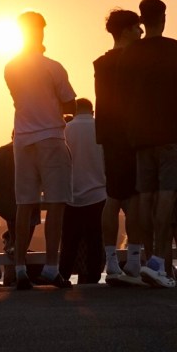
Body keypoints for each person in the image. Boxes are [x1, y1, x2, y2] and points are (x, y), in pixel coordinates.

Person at [120, 0, 177, 289]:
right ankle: (158, 264)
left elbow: (122, 97)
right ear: (163, 17)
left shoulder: (130, 54)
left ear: (141, 20)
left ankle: (146, 258)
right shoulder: (173, 49)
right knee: (166, 196)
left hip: (141, 137)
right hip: (170, 134)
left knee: (145, 197)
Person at [4, 11, 77, 290]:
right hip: (50, 136)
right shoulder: (53, 67)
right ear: (41, 31)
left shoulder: (11, 67)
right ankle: (50, 266)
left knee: (25, 204)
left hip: (22, 139)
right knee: (55, 204)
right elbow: (70, 102)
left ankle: (20, 267)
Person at [92, 8, 146, 285]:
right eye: (137, 27)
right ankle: (134, 259)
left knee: (113, 197)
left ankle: (112, 260)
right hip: (132, 135)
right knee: (133, 198)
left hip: (108, 136)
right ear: (125, 30)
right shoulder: (135, 60)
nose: (141, 32)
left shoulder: (101, 63)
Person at [60, 98, 107, 284]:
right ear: (92, 111)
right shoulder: (100, 128)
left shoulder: (66, 129)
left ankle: (63, 273)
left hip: (71, 194)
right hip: (98, 193)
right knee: (95, 240)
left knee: (69, 240)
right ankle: (94, 276)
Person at [0, 139, 41, 286]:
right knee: (21, 243)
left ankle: (12, 273)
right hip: (27, 205)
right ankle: (16, 273)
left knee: (15, 240)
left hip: (4, 206)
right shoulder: (32, 152)